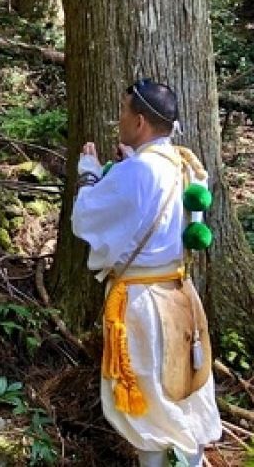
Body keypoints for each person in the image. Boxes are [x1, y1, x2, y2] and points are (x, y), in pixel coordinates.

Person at [71, 78, 221, 467]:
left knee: (145, 395)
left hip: (141, 306)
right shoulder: (185, 166)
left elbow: (86, 218)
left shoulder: (137, 172)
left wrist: (89, 175)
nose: (118, 120)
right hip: (181, 295)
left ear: (139, 123)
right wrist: (125, 170)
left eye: (123, 113)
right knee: (185, 391)